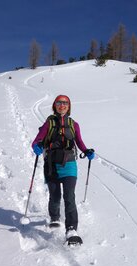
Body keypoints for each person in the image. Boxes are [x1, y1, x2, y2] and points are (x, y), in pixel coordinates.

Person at [31, 95, 95, 243]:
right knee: (54, 196)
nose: (62, 105)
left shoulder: (74, 124)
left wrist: (87, 151)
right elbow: (37, 140)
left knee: (69, 196)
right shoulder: (49, 123)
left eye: (65, 103)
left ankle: (71, 230)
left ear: (69, 106)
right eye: (59, 103)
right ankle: (54, 217)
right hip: (51, 165)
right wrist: (37, 146)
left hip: (69, 165)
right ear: (55, 105)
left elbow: (79, 142)